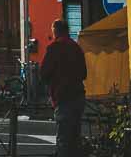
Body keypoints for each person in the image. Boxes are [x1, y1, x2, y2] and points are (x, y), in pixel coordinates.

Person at [39, 18, 88, 157]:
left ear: (56, 32)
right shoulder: (76, 47)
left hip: (62, 97)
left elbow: (44, 73)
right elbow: (84, 74)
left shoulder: (54, 48)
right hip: (78, 96)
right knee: (74, 136)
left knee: (64, 139)